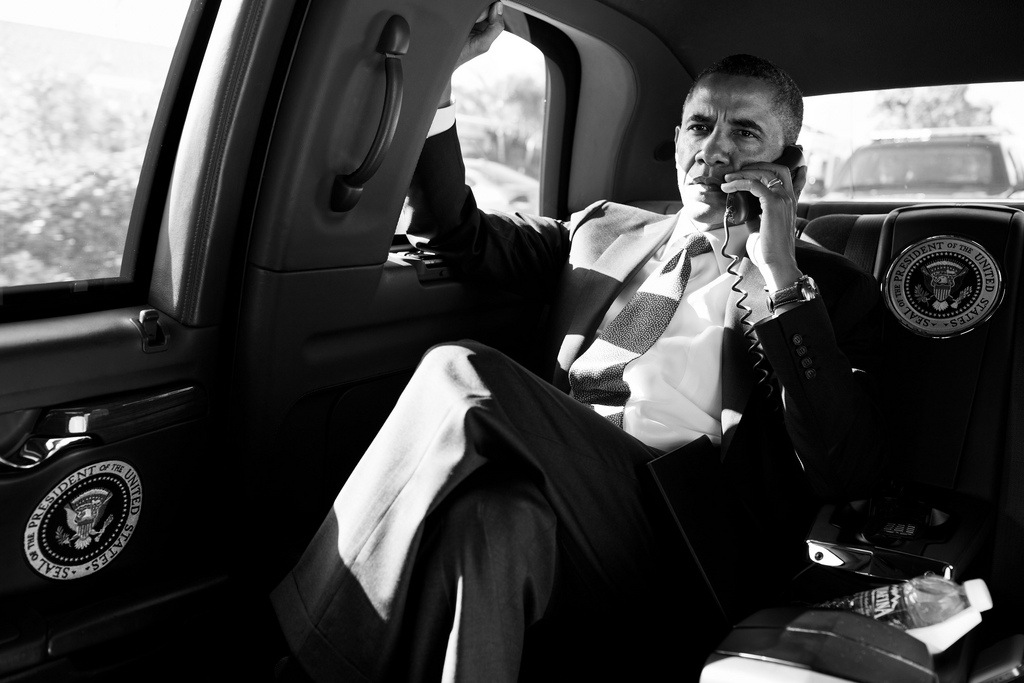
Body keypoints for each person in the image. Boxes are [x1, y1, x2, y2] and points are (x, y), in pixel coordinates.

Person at [271, 3, 885, 681]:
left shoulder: (827, 288)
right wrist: (437, 83)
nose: (714, 150)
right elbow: (456, 235)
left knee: (458, 372)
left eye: (744, 132)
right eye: (700, 126)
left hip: (688, 536)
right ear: (677, 138)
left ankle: (303, 660)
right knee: (493, 518)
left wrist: (779, 274)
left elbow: (845, 471)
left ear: (789, 168)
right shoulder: (602, 230)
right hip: (569, 489)